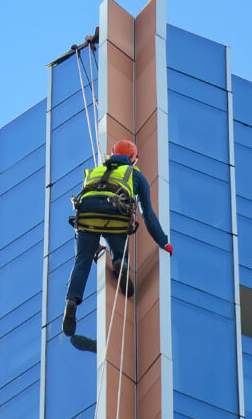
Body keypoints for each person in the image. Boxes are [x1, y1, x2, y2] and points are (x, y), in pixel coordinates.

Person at [63, 139, 173, 336]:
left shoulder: (93, 171)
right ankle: (120, 261)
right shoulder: (136, 176)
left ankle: (72, 300)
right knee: (120, 232)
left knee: (82, 258)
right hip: (116, 215)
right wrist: (163, 242)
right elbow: (148, 214)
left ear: (111, 154)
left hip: (88, 215)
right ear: (134, 159)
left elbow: (85, 197)